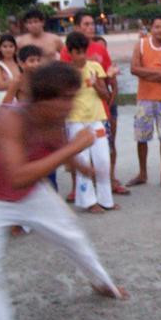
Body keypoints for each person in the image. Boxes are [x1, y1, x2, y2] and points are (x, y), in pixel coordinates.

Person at [0, 61, 128, 320]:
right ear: (42, 99)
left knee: (72, 236)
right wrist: (75, 147)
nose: (70, 104)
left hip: (29, 194)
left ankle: (103, 283)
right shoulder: (11, 121)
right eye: (65, 97)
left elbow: (58, 149)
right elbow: (18, 175)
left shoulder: (54, 119)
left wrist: (81, 164)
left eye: (72, 96)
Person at [60, 11, 128, 198]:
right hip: (76, 115)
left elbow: (108, 79)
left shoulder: (99, 51)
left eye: (92, 24)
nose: (90, 27)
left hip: (99, 111)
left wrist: (110, 95)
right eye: (86, 24)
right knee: (80, 154)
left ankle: (107, 189)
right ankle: (81, 193)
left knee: (105, 151)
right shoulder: (67, 56)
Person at [64, 32, 116, 213]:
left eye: (83, 52)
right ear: (69, 52)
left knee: (103, 160)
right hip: (76, 121)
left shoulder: (95, 67)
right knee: (83, 161)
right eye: (76, 52)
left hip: (96, 119)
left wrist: (96, 84)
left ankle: (106, 200)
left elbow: (106, 95)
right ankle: (88, 201)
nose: (81, 56)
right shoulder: (65, 72)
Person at [128, 15, 161, 189]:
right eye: (157, 27)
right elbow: (133, 69)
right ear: (152, 28)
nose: (160, 30)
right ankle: (142, 173)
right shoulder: (141, 44)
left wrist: (146, 72)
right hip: (144, 98)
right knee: (141, 138)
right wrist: (159, 73)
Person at [91, 35, 128, 195]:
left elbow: (114, 88)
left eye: (103, 48)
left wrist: (109, 104)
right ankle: (94, 178)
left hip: (108, 107)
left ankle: (111, 177)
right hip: (93, 109)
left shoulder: (108, 67)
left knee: (110, 143)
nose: (101, 51)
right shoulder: (90, 67)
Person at [0, 34, 22, 108]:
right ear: (0, 48)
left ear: (15, 48)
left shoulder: (20, 64)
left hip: (19, 100)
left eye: (11, 46)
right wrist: (19, 83)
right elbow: (0, 86)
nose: (8, 49)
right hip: (3, 100)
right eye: (5, 46)